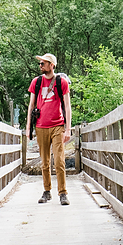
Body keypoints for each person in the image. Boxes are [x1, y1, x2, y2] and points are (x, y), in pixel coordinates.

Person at [28, 53, 72, 205]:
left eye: (43, 63)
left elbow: (67, 106)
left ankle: (63, 192)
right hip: (40, 126)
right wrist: (28, 127)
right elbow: (31, 105)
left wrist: (68, 129)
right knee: (45, 162)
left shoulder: (62, 82)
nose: (40, 65)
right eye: (40, 63)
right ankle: (47, 191)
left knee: (59, 161)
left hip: (57, 125)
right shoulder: (36, 82)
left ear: (52, 65)